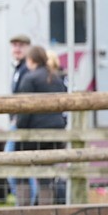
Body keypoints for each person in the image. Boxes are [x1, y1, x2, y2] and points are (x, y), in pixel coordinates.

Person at [14, 45, 68, 205]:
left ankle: (22, 208)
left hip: (34, 134)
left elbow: (24, 110)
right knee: (46, 175)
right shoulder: (56, 78)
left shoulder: (29, 79)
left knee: (20, 169)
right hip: (56, 133)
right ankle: (46, 210)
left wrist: (19, 130)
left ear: (30, 60)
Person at [5, 33, 37, 206]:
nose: (17, 49)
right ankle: (24, 204)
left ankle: (25, 205)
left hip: (22, 125)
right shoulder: (18, 69)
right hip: (17, 123)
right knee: (17, 166)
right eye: (14, 45)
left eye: (21, 46)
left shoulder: (27, 70)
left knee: (19, 167)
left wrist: (18, 121)